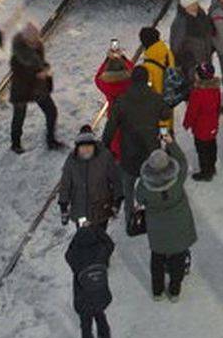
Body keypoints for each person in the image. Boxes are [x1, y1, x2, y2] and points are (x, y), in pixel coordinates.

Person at [135, 142, 197, 301]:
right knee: (178, 258)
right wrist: (171, 143)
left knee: (157, 258)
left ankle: (157, 291)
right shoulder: (177, 179)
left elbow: (139, 198)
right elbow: (182, 161)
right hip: (179, 225)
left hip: (157, 228)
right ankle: (175, 290)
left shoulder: (145, 185)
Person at [101, 63, 166, 212]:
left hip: (129, 151)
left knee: (128, 187)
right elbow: (165, 114)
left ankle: (130, 218)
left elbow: (111, 127)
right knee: (150, 185)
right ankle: (151, 213)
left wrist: (105, 145)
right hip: (150, 150)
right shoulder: (155, 98)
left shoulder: (121, 101)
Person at [65, 217, 115, 338]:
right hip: (99, 294)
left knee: (85, 327)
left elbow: (68, 255)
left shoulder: (76, 255)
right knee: (100, 316)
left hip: (82, 296)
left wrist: (78, 233)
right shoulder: (101, 250)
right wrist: (95, 228)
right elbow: (110, 244)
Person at [9, 23, 63, 154]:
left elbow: (40, 62)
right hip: (21, 89)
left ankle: (51, 140)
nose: (36, 41)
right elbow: (21, 71)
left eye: (36, 38)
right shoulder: (17, 55)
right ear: (26, 40)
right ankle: (15, 143)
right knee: (19, 116)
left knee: (51, 112)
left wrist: (45, 68)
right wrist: (38, 73)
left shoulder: (38, 46)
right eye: (32, 40)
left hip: (38, 87)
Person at [59, 124, 122, 228]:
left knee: (100, 237)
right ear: (78, 147)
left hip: (101, 209)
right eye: (83, 147)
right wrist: (63, 206)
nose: (86, 150)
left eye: (89, 146)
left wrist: (117, 201)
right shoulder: (72, 161)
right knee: (85, 238)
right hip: (81, 211)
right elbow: (65, 184)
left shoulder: (105, 157)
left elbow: (115, 179)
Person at [183, 62, 222, 180]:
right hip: (213, 125)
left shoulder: (197, 93)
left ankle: (205, 172)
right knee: (212, 146)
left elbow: (192, 111)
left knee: (202, 150)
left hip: (200, 128)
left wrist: (187, 123)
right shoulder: (216, 90)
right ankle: (212, 166)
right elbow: (218, 106)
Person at [94, 44, 133, 159]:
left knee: (115, 135)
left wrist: (107, 59)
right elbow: (133, 68)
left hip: (113, 111)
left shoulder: (105, 83)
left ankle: (117, 155)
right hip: (128, 111)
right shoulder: (130, 81)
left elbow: (97, 77)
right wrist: (124, 58)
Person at [169, 0, 214, 83]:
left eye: (196, 3)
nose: (195, 5)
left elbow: (208, 34)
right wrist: (185, 58)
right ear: (186, 6)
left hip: (205, 59)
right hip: (190, 63)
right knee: (191, 85)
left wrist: (210, 49)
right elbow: (176, 44)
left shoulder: (202, 16)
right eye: (193, 3)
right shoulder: (181, 21)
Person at [138, 25, 178, 125]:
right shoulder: (167, 53)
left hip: (155, 111)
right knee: (167, 133)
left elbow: (146, 91)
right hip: (167, 105)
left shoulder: (147, 66)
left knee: (159, 136)